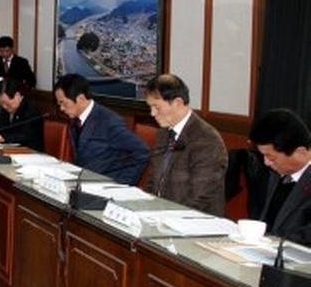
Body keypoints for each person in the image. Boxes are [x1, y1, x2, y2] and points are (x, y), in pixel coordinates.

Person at [142, 74, 227, 216]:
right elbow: (154, 178)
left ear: (178, 103)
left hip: (195, 220)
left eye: (156, 107)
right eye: (150, 107)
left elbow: (200, 197)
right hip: (161, 214)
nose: (152, 113)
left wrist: (167, 217)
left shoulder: (207, 140)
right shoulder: (163, 133)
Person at [54, 74, 150, 185]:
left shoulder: (109, 122)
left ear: (80, 98)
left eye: (63, 103)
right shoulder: (75, 120)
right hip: (83, 183)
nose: (61, 108)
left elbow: (142, 151)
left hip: (104, 186)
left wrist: (122, 183)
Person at [248, 109, 311, 243]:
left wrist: (274, 245)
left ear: (300, 152)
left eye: (271, 157)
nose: (266, 163)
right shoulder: (270, 174)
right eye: (263, 156)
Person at [0, 77, 44, 151]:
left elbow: (24, 136)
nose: (4, 106)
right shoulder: (6, 110)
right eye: (1, 104)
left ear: (17, 95)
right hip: (10, 150)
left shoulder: (31, 111)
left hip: (31, 152)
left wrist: (3, 137)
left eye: (6, 103)